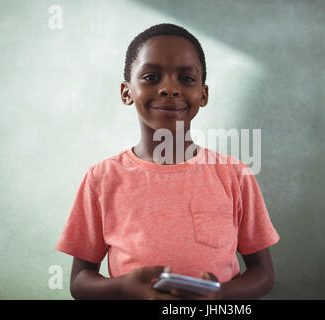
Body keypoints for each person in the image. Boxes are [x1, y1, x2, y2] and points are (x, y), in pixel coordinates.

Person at [56, 23, 280, 300]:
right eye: (151, 77)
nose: (170, 88)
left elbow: (264, 274)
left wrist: (221, 294)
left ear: (203, 94)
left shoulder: (235, 175)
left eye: (186, 79)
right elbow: (79, 281)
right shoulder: (101, 179)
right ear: (126, 92)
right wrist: (124, 287)